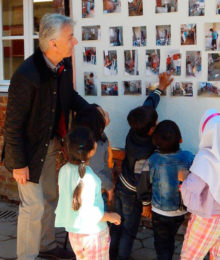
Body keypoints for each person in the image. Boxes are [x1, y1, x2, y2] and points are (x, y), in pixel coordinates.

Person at [3, 14, 89, 260]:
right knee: (33, 206)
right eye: (70, 37)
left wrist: (92, 109)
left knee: (51, 197)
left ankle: (47, 245)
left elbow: (68, 97)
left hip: (49, 145)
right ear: (53, 43)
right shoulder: (26, 75)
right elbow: (12, 125)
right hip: (27, 153)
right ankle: (27, 256)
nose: (75, 42)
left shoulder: (62, 66)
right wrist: (18, 164)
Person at [109, 72, 173, 260]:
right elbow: (142, 181)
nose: (158, 121)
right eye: (156, 122)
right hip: (132, 193)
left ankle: (110, 255)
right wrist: (145, 204)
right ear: (151, 129)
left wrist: (160, 88)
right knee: (129, 230)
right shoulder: (145, 153)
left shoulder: (136, 126)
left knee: (117, 224)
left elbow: (149, 103)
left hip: (121, 184)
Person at [55, 127, 121, 259]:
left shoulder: (63, 170)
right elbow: (90, 213)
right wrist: (110, 216)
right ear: (92, 151)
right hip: (93, 235)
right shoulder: (91, 178)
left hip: (74, 233)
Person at [137, 120, 194, 260]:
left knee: (162, 245)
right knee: (171, 237)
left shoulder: (152, 160)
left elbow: (143, 184)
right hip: (182, 210)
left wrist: (145, 204)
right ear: (180, 139)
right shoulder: (189, 157)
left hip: (160, 213)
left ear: (155, 142)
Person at [180, 109, 220, 260]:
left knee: (191, 255)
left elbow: (191, 189)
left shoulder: (205, 157)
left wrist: (184, 179)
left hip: (207, 218)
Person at [74, 104, 114, 210]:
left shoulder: (100, 135)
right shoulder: (95, 146)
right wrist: (109, 187)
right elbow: (94, 171)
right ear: (97, 124)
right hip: (98, 191)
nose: (106, 112)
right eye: (102, 113)